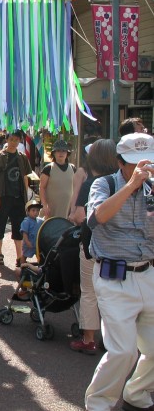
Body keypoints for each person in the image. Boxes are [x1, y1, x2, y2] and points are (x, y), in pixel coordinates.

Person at [83, 133, 154, 411]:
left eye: (146, 162)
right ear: (120, 162)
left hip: (147, 274)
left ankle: (137, 392)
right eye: (134, 163)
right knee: (123, 351)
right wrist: (131, 185)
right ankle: (99, 403)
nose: (141, 168)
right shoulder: (105, 183)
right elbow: (96, 217)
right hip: (113, 277)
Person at [68, 139, 118, 355]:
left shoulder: (93, 184)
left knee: (89, 291)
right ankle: (115, 339)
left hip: (93, 247)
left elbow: (80, 216)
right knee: (115, 293)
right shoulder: (122, 183)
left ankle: (89, 339)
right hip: (120, 249)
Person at [0, 130, 32, 267]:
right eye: (11, 139)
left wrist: (27, 196)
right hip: (3, 196)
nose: (13, 142)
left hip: (18, 196)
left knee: (19, 226)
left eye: (16, 140)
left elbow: (25, 177)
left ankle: (19, 256)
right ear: (6, 140)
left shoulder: (22, 157)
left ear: (19, 141)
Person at [39, 139, 76, 219]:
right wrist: (45, 205)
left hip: (67, 209)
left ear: (67, 153)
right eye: (58, 151)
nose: (61, 153)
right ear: (54, 153)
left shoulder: (73, 168)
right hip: (51, 210)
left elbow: (76, 188)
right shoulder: (48, 168)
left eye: (63, 151)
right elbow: (42, 188)